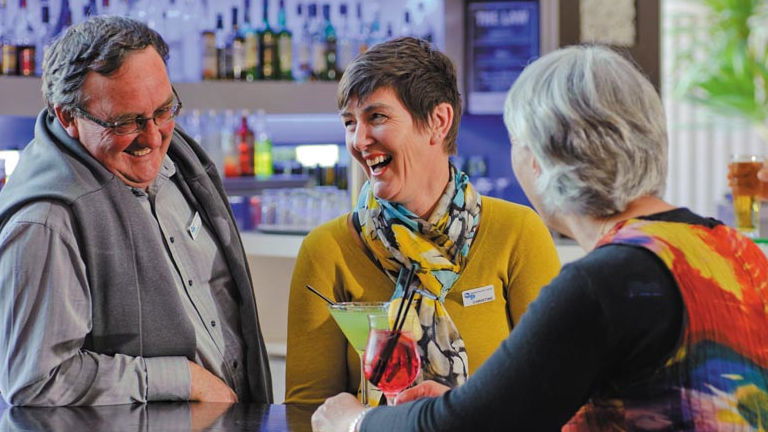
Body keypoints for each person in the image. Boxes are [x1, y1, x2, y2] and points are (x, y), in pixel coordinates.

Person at [311, 45, 768, 431]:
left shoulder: (601, 284)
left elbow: (467, 426)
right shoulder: (738, 253)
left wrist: (354, 422)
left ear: (544, 157)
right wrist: (466, 400)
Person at [0, 16, 272, 406]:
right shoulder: (46, 221)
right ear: (68, 117)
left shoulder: (179, 162)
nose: (154, 136)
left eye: (164, 110)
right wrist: (184, 379)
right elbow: (37, 381)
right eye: (127, 121)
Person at [286, 37, 560, 405]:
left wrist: (456, 416)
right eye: (350, 122)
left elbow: (556, 392)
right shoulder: (326, 250)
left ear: (438, 121)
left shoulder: (517, 233)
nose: (359, 139)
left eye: (376, 117)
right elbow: (306, 412)